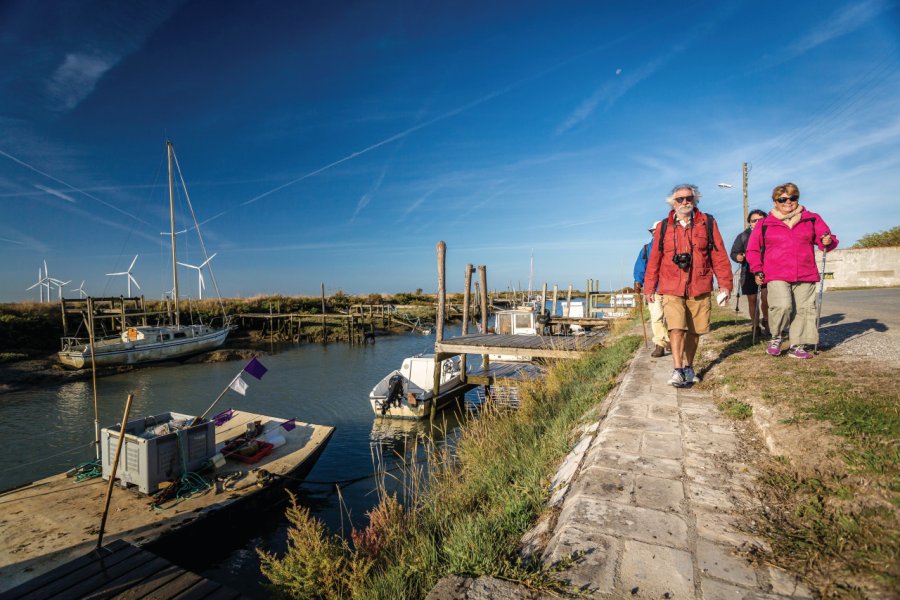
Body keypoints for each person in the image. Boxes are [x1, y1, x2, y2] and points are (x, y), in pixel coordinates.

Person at [644, 184, 733, 387]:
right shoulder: (663, 227)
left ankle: (689, 366)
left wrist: (725, 284)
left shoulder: (707, 223)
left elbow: (718, 255)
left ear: (695, 200)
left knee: (694, 331)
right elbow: (655, 259)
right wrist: (649, 287)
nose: (685, 202)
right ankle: (677, 369)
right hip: (670, 285)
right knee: (676, 328)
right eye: (680, 199)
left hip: (699, 285)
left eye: (689, 198)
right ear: (673, 203)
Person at [746, 182, 838, 358]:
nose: (788, 202)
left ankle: (798, 345)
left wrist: (828, 241)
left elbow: (826, 239)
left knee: (804, 309)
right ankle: (776, 337)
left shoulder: (811, 218)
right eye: (783, 199)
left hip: (805, 271)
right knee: (782, 306)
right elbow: (753, 249)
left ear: (797, 199)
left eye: (793, 198)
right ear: (775, 202)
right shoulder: (765, 223)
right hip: (776, 272)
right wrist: (757, 269)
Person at [730, 209, 769, 336]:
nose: (757, 222)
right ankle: (755, 326)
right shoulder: (743, 236)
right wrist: (738, 257)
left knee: (766, 297)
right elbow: (734, 252)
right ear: (749, 223)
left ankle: (767, 321)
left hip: (767, 270)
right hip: (748, 271)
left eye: (760, 219)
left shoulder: (770, 233)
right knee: (752, 300)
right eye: (754, 220)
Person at [633, 221, 669, 357]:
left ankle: (670, 339)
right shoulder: (647, 249)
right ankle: (660, 344)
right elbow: (640, 267)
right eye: (653, 231)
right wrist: (637, 281)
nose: (655, 232)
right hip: (653, 288)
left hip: (671, 287)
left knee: (671, 317)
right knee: (656, 317)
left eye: (657, 230)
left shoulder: (671, 246)